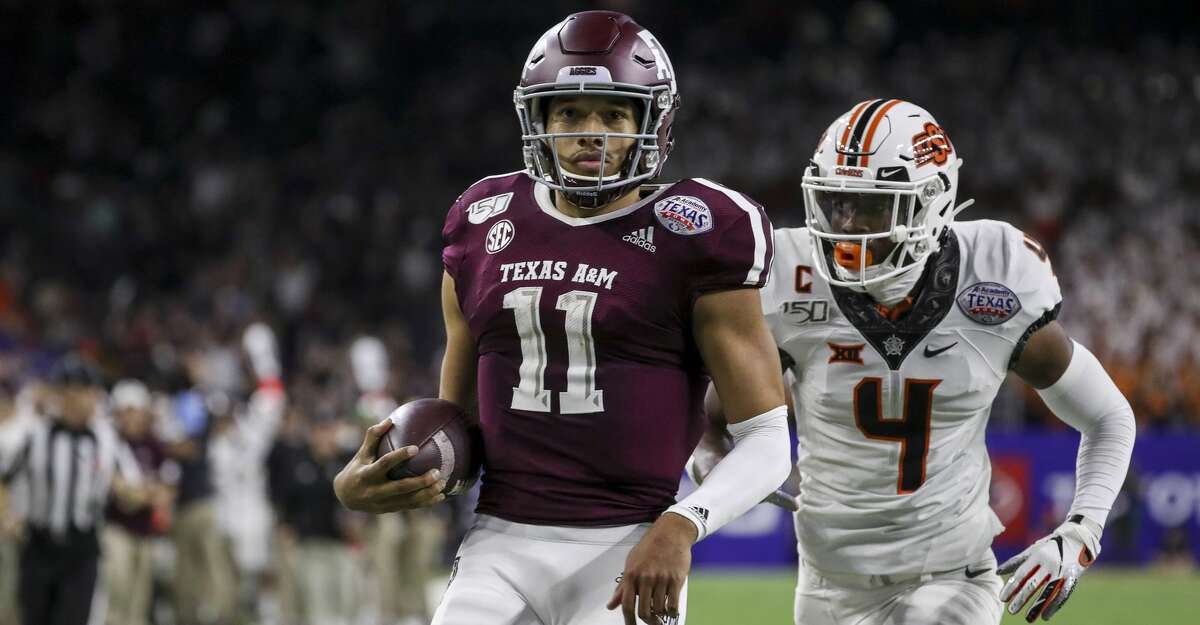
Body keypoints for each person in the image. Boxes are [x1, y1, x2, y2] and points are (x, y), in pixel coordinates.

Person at [334, 11, 792, 625]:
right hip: (497, 542)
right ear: (538, 119)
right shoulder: (484, 219)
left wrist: (681, 524)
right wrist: (372, 483)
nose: (590, 133)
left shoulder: (697, 231)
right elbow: (458, 426)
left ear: (650, 124)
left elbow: (766, 440)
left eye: (613, 113)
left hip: (630, 541)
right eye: (570, 113)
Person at [694, 99, 1137, 624]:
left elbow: (1109, 416)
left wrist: (1080, 532)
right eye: (838, 203)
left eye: (873, 207)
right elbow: (715, 418)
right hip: (826, 585)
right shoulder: (791, 280)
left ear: (931, 204)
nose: (848, 227)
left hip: (951, 575)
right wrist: (713, 456)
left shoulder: (993, 278)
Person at [0, 355, 144, 625]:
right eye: (69, 392)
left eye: (83, 392)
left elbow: (133, 493)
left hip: (82, 549)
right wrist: (5, 516)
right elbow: (3, 478)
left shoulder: (106, 439)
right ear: (59, 395)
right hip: (39, 545)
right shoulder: (35, 435)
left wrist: (125, 491)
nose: (76, 400)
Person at [103, 379, 177, 625]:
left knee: (140, 602)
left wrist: (143, 493)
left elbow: (168, 490)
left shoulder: (154, 445)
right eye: (128, 412)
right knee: (117, 594)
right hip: (116, 529)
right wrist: (145, 493)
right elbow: (120, 492)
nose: (133, 419)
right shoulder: (109, 443)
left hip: (145, 531)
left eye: (137, 412)